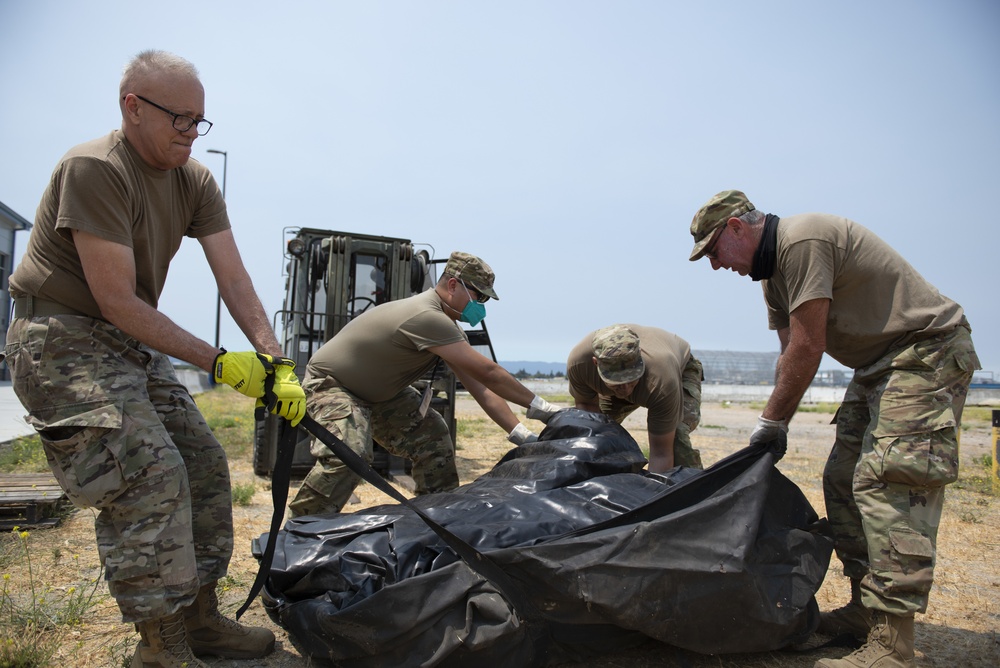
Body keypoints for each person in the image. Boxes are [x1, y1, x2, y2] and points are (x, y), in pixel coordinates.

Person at [2, 50, 306, 668]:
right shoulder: (95, 168)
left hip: (127, 338)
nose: (191, 133)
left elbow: (234, 276)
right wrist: (220, 362)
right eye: (180, 119)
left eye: (200, 122)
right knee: (149, 471)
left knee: (202, 462)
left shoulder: (194, 179)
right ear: (132, 107)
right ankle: (160, 647)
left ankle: (199, 621)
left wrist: (274, 362)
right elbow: (116, 299)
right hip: (61, 336)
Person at [688, 190, 980, 668]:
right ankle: (866, 612)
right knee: (842, 479)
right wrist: (776, 426)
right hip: (878, 367)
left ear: (737, 229)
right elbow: (789, 358)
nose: (717, 267)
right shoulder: (771, 278)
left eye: (714, 252)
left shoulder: (802, 241)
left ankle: (894, 648)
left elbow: (808, 347)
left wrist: (769, 424)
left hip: (925, 352)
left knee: (888, 483)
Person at [287, 251, 563, 518]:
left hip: (381, 395)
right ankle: (297, 531)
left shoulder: (448, 328)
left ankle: (436, 519)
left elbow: (481, 387)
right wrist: (542, 408)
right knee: (349, 454)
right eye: (479, 297)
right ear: (453, 285)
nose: (480, 305)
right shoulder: (426, 316)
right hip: (332, 386)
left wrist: (521, 434)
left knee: (433, 438)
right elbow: (490, 373)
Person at [566, 324, 704, 472]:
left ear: (640, 357)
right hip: (640, 380)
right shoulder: (580, 365)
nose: (625, 389)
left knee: (676, 439)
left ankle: (699, 489)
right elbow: (588, 421)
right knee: (596, 431)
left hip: (679, 371)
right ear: (595, 363)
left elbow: (662, 453)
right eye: (617, 382)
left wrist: (655, 492)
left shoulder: (661, 379)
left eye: (631, 379)